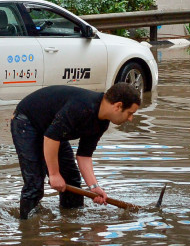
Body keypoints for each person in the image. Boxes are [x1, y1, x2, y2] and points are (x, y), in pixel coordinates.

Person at [11, 82, 141, 219]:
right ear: (118, 106)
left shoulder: (102, 121)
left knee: (71, 179)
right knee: (34, 184)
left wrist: (94, 186)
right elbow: (50, 138)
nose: (131, 118)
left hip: (52, 131)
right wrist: (54, 174)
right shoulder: (82, 106)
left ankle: (70, 221)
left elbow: (84, 155)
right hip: (27, 123)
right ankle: (28, 229)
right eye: (130, 113)